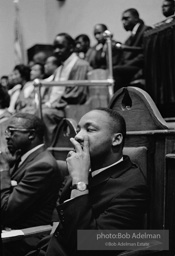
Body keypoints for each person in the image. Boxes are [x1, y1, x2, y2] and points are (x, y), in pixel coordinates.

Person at [44, 108, 148, 256]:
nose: (78, 136)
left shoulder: (132, 188)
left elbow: (90, 245)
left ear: (116, 139)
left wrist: (80, 182)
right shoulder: (82, 166)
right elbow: (59, 212)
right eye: (78, 129)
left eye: (90, 130)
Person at [1, 113, 62, 256]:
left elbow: (6, 211)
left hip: (24, 240)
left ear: (31, 134)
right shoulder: (21, 157)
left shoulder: (42, 166)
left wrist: (3, 169)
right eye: (7, 132)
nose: (7, 136)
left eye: (12, 131)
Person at [42, 32, 91, 146]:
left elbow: (77, 93)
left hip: (69, 107)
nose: (56, 51)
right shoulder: (59, 68)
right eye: (55, 48)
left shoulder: (80, 65)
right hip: (57, 106)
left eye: (60, 47)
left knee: (45, 113)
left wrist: (55, 104)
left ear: (71, 47)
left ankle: (52, 149)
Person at [113, 8, 152, 92]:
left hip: (141, 67)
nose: (123, 22)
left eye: (126, 18)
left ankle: (119, 101)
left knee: (116, 71)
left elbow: (144, 53)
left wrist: (126, 65)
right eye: (122, 20)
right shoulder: (130, 37)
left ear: (136, 18)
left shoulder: (146, 30)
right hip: (131, 66)